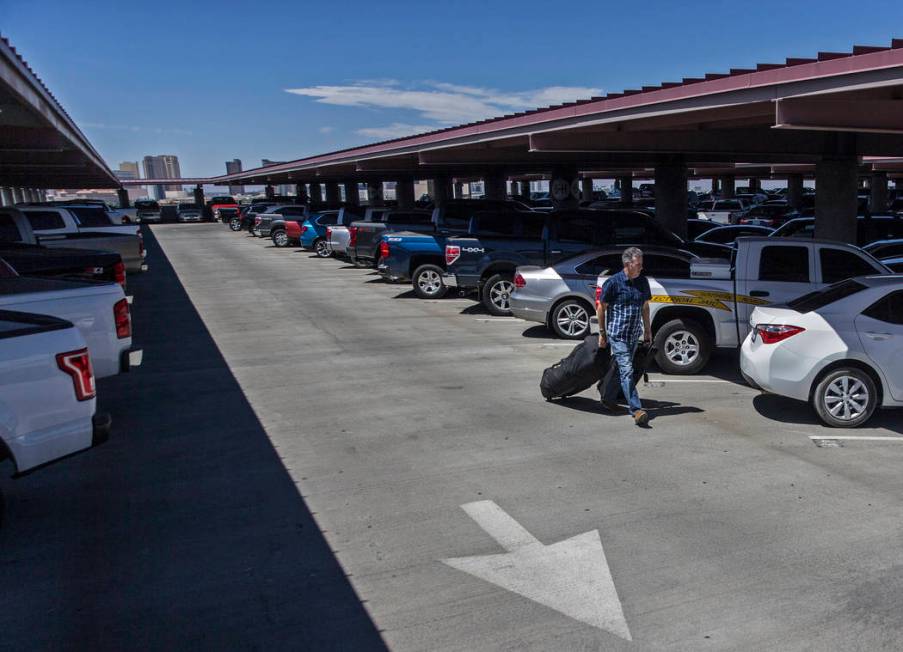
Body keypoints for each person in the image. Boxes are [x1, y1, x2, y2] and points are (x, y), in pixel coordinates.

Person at [596, 247, 652, 426]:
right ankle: (636, 410)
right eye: (639, 264)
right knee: (627, 369)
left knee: (623, 369)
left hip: (634, 334)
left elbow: (645, 307)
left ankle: (607, 395)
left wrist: (647, 330)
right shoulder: (613, 283)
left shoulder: (642, 282)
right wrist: (602, 333)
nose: (641, 267)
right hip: (617, 334)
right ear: (628, 264)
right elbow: (601, 308)